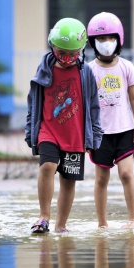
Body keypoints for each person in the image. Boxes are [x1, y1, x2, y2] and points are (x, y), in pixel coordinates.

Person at [25, 18, 102, 234]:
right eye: (61, 52)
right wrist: (31, 129)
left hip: (75, 135)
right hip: (48, 129)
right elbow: (33, 101)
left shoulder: (85, 72)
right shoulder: (44, 68)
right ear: (52, 45)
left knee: (68, 181)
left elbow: (94, 106)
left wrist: (94, 137)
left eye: (73, 52)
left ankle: (61, 225)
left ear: (81, 48)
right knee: (48, 166)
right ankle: (43, 217)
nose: (67, 57)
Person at [86, 12, 134, 229]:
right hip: (100, 134)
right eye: (101, 39)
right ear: (93, 42)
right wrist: (86, 134)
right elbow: (85, 104)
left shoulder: (127, 67)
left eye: (110, 38)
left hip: (125, 130)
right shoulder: (89, 70)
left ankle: (133, 220)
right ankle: (102, 223)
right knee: (101, 179)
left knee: (127, 174)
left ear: (119, 39)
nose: (106, 43)